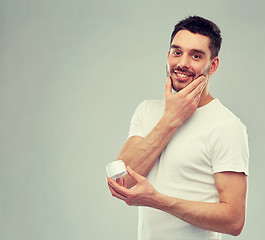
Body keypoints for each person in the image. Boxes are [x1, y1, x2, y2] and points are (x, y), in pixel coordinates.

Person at [107, 16, 249, 240]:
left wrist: (158, 201)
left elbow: (234, 220)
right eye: (176, 52)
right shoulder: (147, 111)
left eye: (196, 56)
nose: (182, 63)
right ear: (168, 55)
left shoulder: (226, 126)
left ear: (213, 66)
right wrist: (170, 119)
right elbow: (123, 182)